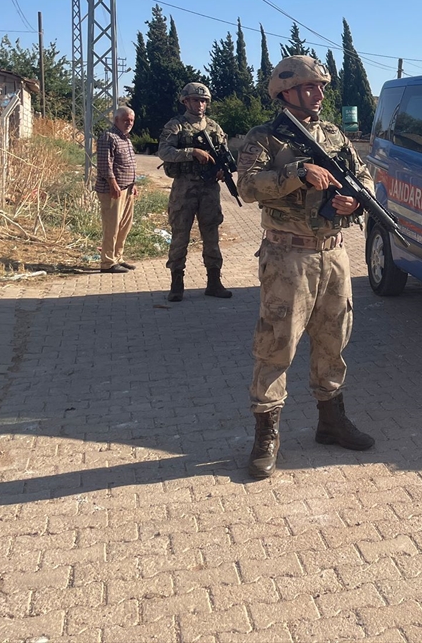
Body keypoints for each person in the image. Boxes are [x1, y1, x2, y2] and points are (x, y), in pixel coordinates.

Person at [236, 55, 376, 479]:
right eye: (309, 87)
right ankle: (266, 433)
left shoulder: (333, 133)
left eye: (320, 87)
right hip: (288, 255)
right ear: (285, 92)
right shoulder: (265, 137)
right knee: (277, 344)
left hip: (333, 252)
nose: (318, 94)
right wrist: (297, 172)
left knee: (334, 339)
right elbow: (246, 186)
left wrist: (359, 198)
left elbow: (364, 175)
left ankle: (331, 421)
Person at [157, 82, 233, 302]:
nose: (199, 104)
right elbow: (164, 151)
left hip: (209, 188)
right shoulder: (176, 126)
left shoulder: (214, 127)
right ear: (185, 101)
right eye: (195, 100)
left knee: (211, 234)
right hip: (184, 186)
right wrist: (192, 152)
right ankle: (177, 283)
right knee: (180, 234)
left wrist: (222, 170)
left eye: (203, 100)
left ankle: (214, 282)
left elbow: (225, 154)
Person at [95, 107, 138, 273]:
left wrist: (133, 185)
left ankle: (118, 257)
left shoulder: (126, 139)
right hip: (112, 190)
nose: (129, 123)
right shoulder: (108, 137)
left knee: (124, 226)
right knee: (111, 227)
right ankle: (107, 263)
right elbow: (105, 165)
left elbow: (128, 165)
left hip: (127, 189)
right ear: (116, 120)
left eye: (131, 120)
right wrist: (113, 185)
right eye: (125, 120)